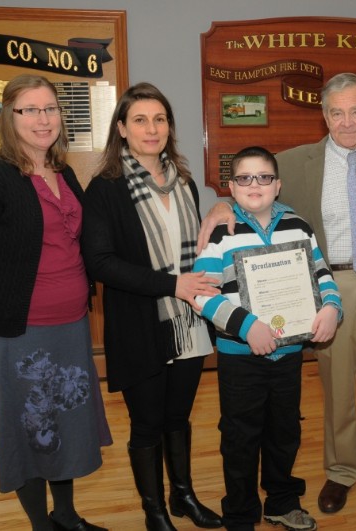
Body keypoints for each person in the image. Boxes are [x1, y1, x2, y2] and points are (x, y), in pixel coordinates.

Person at [199, 72, 356, 526]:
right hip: (327, 286)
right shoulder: (296, 162)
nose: (347, 122)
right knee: (337, 387)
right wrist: (222, 204)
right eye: (336, 112)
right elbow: (251, 185)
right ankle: (341, 472)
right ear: (323, 115)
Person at [0, 74, 111, 531]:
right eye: (30, 110)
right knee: (31, 426)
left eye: (51, 109)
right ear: (8, 118)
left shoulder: (65, 172)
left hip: (71, 325)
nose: (43, 119)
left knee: (66, 423)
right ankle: (42, 526)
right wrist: (8, 291)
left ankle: (68, 517)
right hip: (21, 332)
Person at [80, 82, 223, 531]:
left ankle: (183, 497)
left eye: (159, 119)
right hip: (139, 324)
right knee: (146, 424)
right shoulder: (104, 189)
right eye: (140, 120)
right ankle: (154, 511)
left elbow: (199, 248)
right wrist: (172, 284)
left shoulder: (184, 182)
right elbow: (101, 263)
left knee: (177, 417)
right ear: (121, 128)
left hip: (188, 323)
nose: (151, 128)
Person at [193, 146, 341, 531]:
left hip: (288, 354)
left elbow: (322, 274)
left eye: (263, 178)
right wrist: (246, 326)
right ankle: (240, 513)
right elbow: (201, 295)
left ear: (278, 185)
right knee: (240, 437)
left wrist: (331, 308)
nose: (254, 185)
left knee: (285, 431)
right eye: (244, 178)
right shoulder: (219, 234)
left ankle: (281, 501)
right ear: (232, 186)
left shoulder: (298, 225)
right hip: (239, 356)